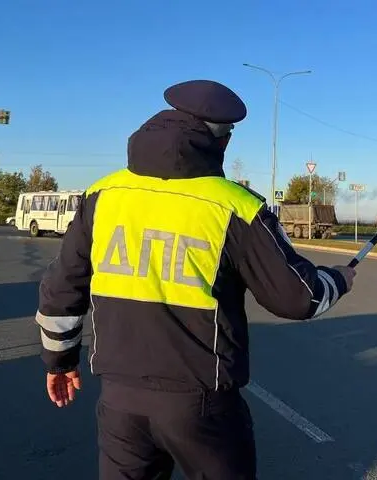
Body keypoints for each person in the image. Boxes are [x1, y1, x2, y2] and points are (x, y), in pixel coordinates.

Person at [35, 79, 357, 480]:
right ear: (220, 139)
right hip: (202, 406)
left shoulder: (104, 194)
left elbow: (61, 291)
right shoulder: (234, 205)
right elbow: (297, 298)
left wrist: (60, 361)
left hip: (120, 403)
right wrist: (339, 279)